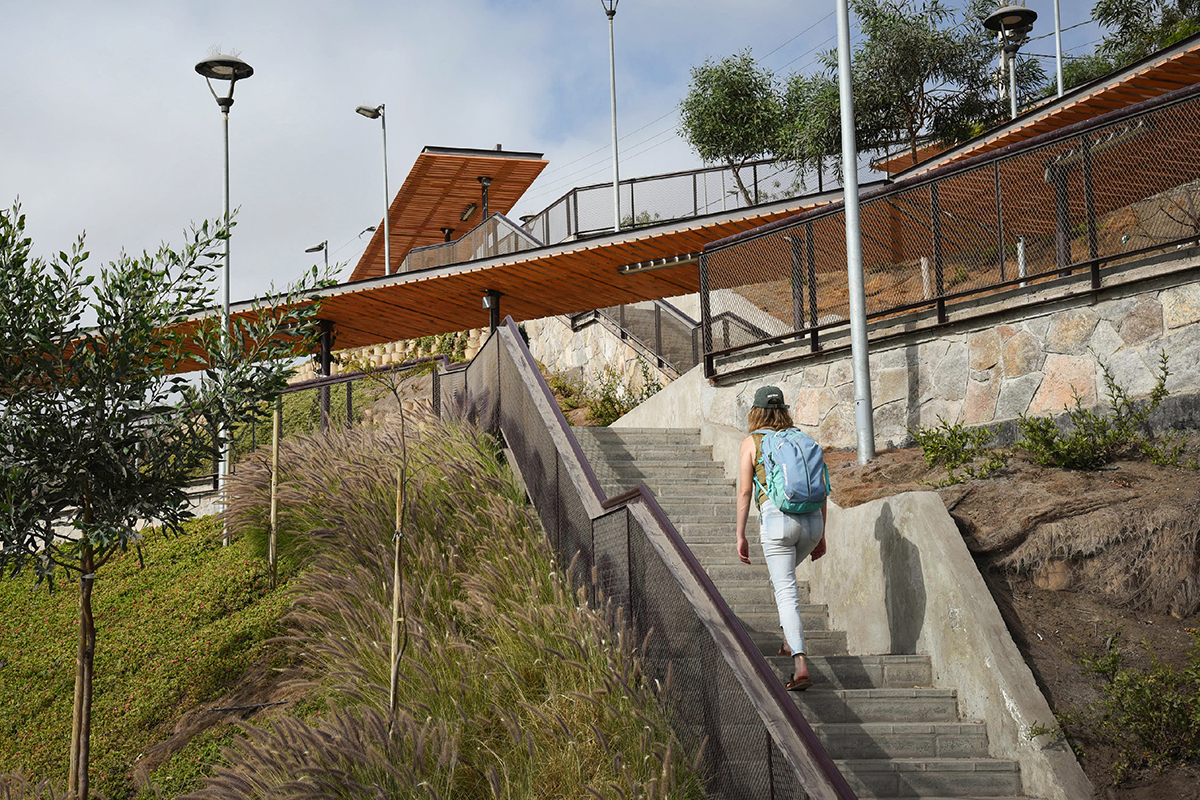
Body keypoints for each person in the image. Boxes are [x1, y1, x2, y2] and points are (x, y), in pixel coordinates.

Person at [735, 385, 828, 692]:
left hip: (778, 522)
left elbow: (746, 491)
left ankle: (800, 664)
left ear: (755, 412)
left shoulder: (752, 442)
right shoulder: (804, 438)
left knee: (786, 590)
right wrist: (822, 535)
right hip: (812, 523)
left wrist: (740, 534)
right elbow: (822, 487)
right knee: (782, 581)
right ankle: (789, 641)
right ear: (784, 410)